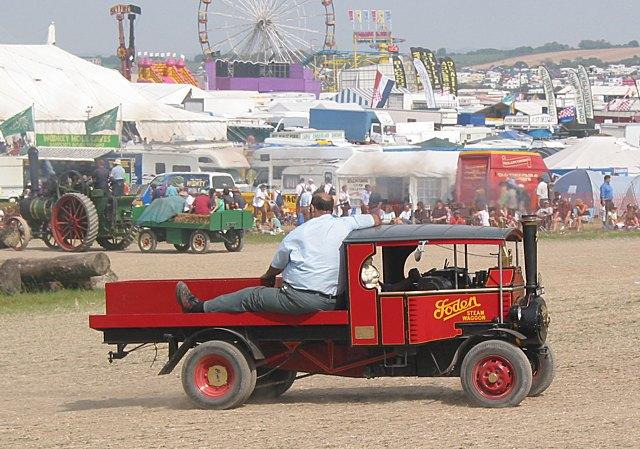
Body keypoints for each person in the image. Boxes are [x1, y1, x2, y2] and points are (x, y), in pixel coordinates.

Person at [176, 193, 381, 314]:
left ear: (310, 208)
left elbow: (276, 266)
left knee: (250, 296)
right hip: (335, 299)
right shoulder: (346, 223)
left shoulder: (299, 233)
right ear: (332, 208)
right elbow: (375, 218)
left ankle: (198, 307)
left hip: (301, 300)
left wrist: (267, 277)